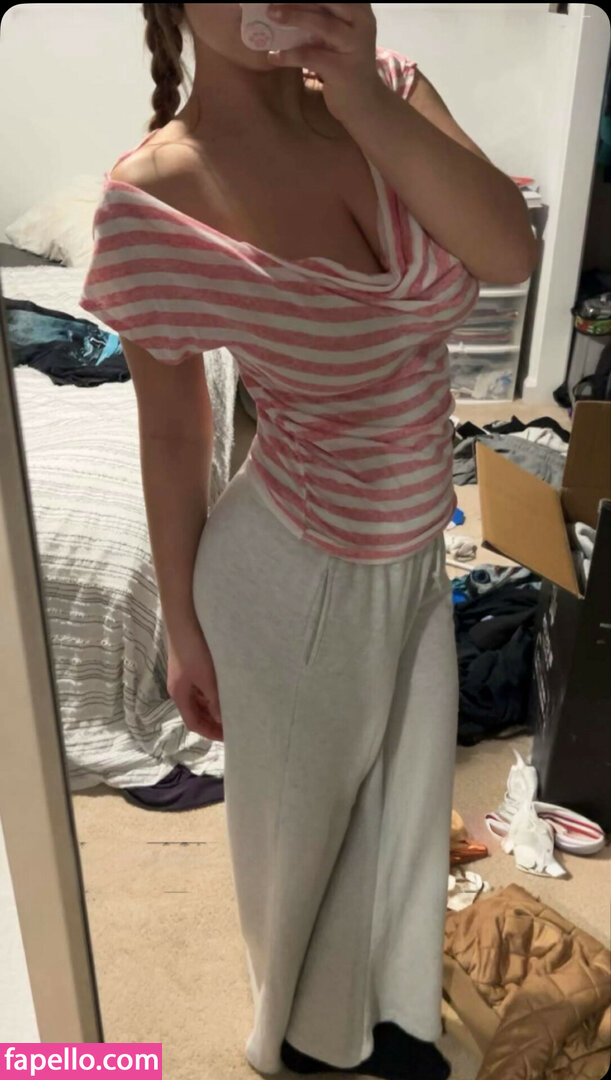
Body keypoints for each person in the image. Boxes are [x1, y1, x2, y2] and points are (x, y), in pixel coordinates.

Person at [79, 4, 538, 1077]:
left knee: (401, 807)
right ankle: (293, 1041)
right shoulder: (153, 198)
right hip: (292, 572)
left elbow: (505, 252)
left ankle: (386, 1015)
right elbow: (174, 432)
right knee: (295, 837)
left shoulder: (388, 89)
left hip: (413, 553)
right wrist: (182, 630)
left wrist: (364, 92)